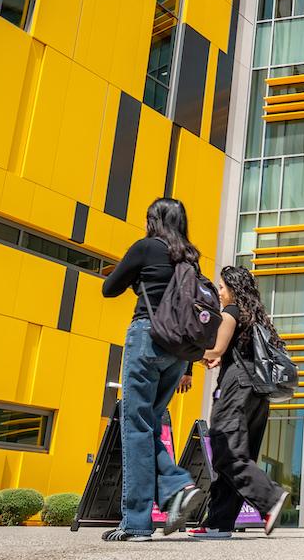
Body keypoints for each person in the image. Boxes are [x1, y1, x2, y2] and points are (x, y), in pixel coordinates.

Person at [100, 197, 204, 542]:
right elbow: (192, 314)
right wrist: (189, 366)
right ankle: (177, 488)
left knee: (135, 427)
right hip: (178, 352)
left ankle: (137, 522)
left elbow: (108, 288)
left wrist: (129, 276)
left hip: (147, 337)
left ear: (153, 220)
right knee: (146, 426)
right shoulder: (191, 259)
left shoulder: (145, 248)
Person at [194, 265, 289, 539]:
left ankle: (269, 497)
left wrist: (185, 351)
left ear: (233, 289)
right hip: (258, 393)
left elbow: (217, 348)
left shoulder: (231, 312)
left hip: (236, 388)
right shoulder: (256, 318)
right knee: (235, 454)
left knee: (225, 449)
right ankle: (219, 523)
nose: (219, 293)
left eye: (222, 287)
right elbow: (232, 353)